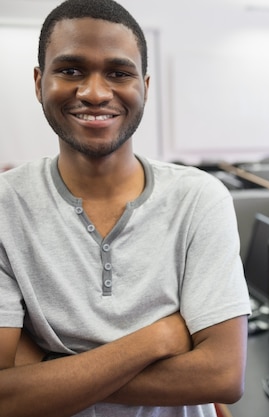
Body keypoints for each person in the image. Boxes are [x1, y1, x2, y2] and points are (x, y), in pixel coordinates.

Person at [0, 1, 250, 417]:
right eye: (71, 70)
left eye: (118, 73)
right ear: (39, 82)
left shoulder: (199, 198)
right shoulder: (6, 205)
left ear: (145, 87)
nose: (95, 93)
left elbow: (222, 376)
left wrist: (50, 373)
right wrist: (156, 340)